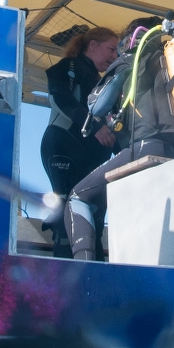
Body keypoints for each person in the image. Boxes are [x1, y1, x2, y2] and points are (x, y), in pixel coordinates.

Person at [63, 19, 174, 261]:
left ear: (131, 39)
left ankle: (85, 270)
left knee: (78, 198)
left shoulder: (131, 59)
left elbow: (96, 106)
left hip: (147, 146)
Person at [39, 27, 119, 253]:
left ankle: (92, 268)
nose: (115, 56)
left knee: (94, 219)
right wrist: (93, 126)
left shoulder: (104, 83)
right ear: (93, 45)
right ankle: (64, 264)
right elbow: (60, 97)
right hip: (63, 146)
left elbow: (113, 127)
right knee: (68, 212)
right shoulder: (70, 66)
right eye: (111, 49)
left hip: (91, 157)